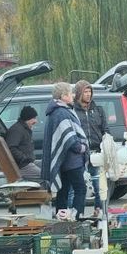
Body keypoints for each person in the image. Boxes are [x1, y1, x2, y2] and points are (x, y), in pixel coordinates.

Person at [41, 82, 89, 216]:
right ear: (63, 96)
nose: (73, 95)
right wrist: (81, 147)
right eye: (70, 93)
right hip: (71, 160)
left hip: (63, 161)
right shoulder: (61, 112)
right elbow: (69, 138)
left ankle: (61, 218)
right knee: (80, 189)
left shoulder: (55, 110)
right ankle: (77, 217)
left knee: (63, 190)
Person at [72, 80, 109, 217]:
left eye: (90, 92)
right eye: (85, 92)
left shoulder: (98, 110)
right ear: (78, 94)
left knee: (99, 186)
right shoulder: (73, 111)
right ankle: (78, 214)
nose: (88, 95)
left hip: (97, 153)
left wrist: (106, 143)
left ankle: (98, 212)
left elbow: (105, 129)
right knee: (79, 187)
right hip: (79, 154)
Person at [6, 106, 42, 183]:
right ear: (27, 118)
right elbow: (11, 148)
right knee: (45, 176)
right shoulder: (17, 130)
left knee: (46, 164)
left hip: (28, 162)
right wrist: (24, 158)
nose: (36, 121)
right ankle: (41, 194)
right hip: (23, 165)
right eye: (34, 118)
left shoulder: (23, 128)